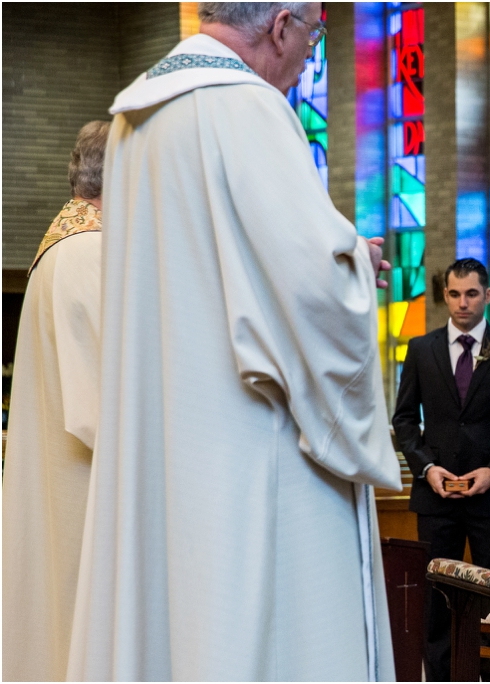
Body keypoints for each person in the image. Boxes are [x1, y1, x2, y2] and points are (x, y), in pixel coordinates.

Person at [66, 4, 402, 681]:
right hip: (257, 445)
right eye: (313, 34)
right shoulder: (245, 107)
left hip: (170, 438)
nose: (309, 56)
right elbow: (312, 289)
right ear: (281, 25)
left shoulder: (137, 120)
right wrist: (356, 265)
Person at [392, 258, 490, 681]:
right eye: (455, 294)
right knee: (436, 600)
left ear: (487, 295)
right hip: (436, 496)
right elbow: (404, 419)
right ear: (445, 295)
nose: (463, 302)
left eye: (471, 293)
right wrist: (426, 468)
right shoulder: (420, 350)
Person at [2, 121, 109, 682]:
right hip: (88, 489)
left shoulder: (61, 247)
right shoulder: (88, 254)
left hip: (68, 483)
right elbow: (101, 407)